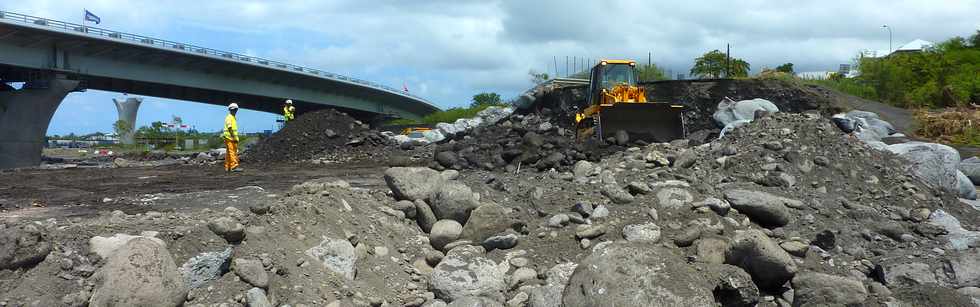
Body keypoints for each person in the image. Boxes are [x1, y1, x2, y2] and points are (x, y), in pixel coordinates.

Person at [223, 102, 242, 172]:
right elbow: (230, 128)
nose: (235, 111)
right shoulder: (229, 117)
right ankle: (234, 166)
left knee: (229, 153)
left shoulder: (233, 118)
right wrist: (234, 137)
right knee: (232, 152)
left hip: (231, 138)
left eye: (236, 110)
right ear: (230, 110)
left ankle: (228, 167)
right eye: (234, 110)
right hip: (230, 138)